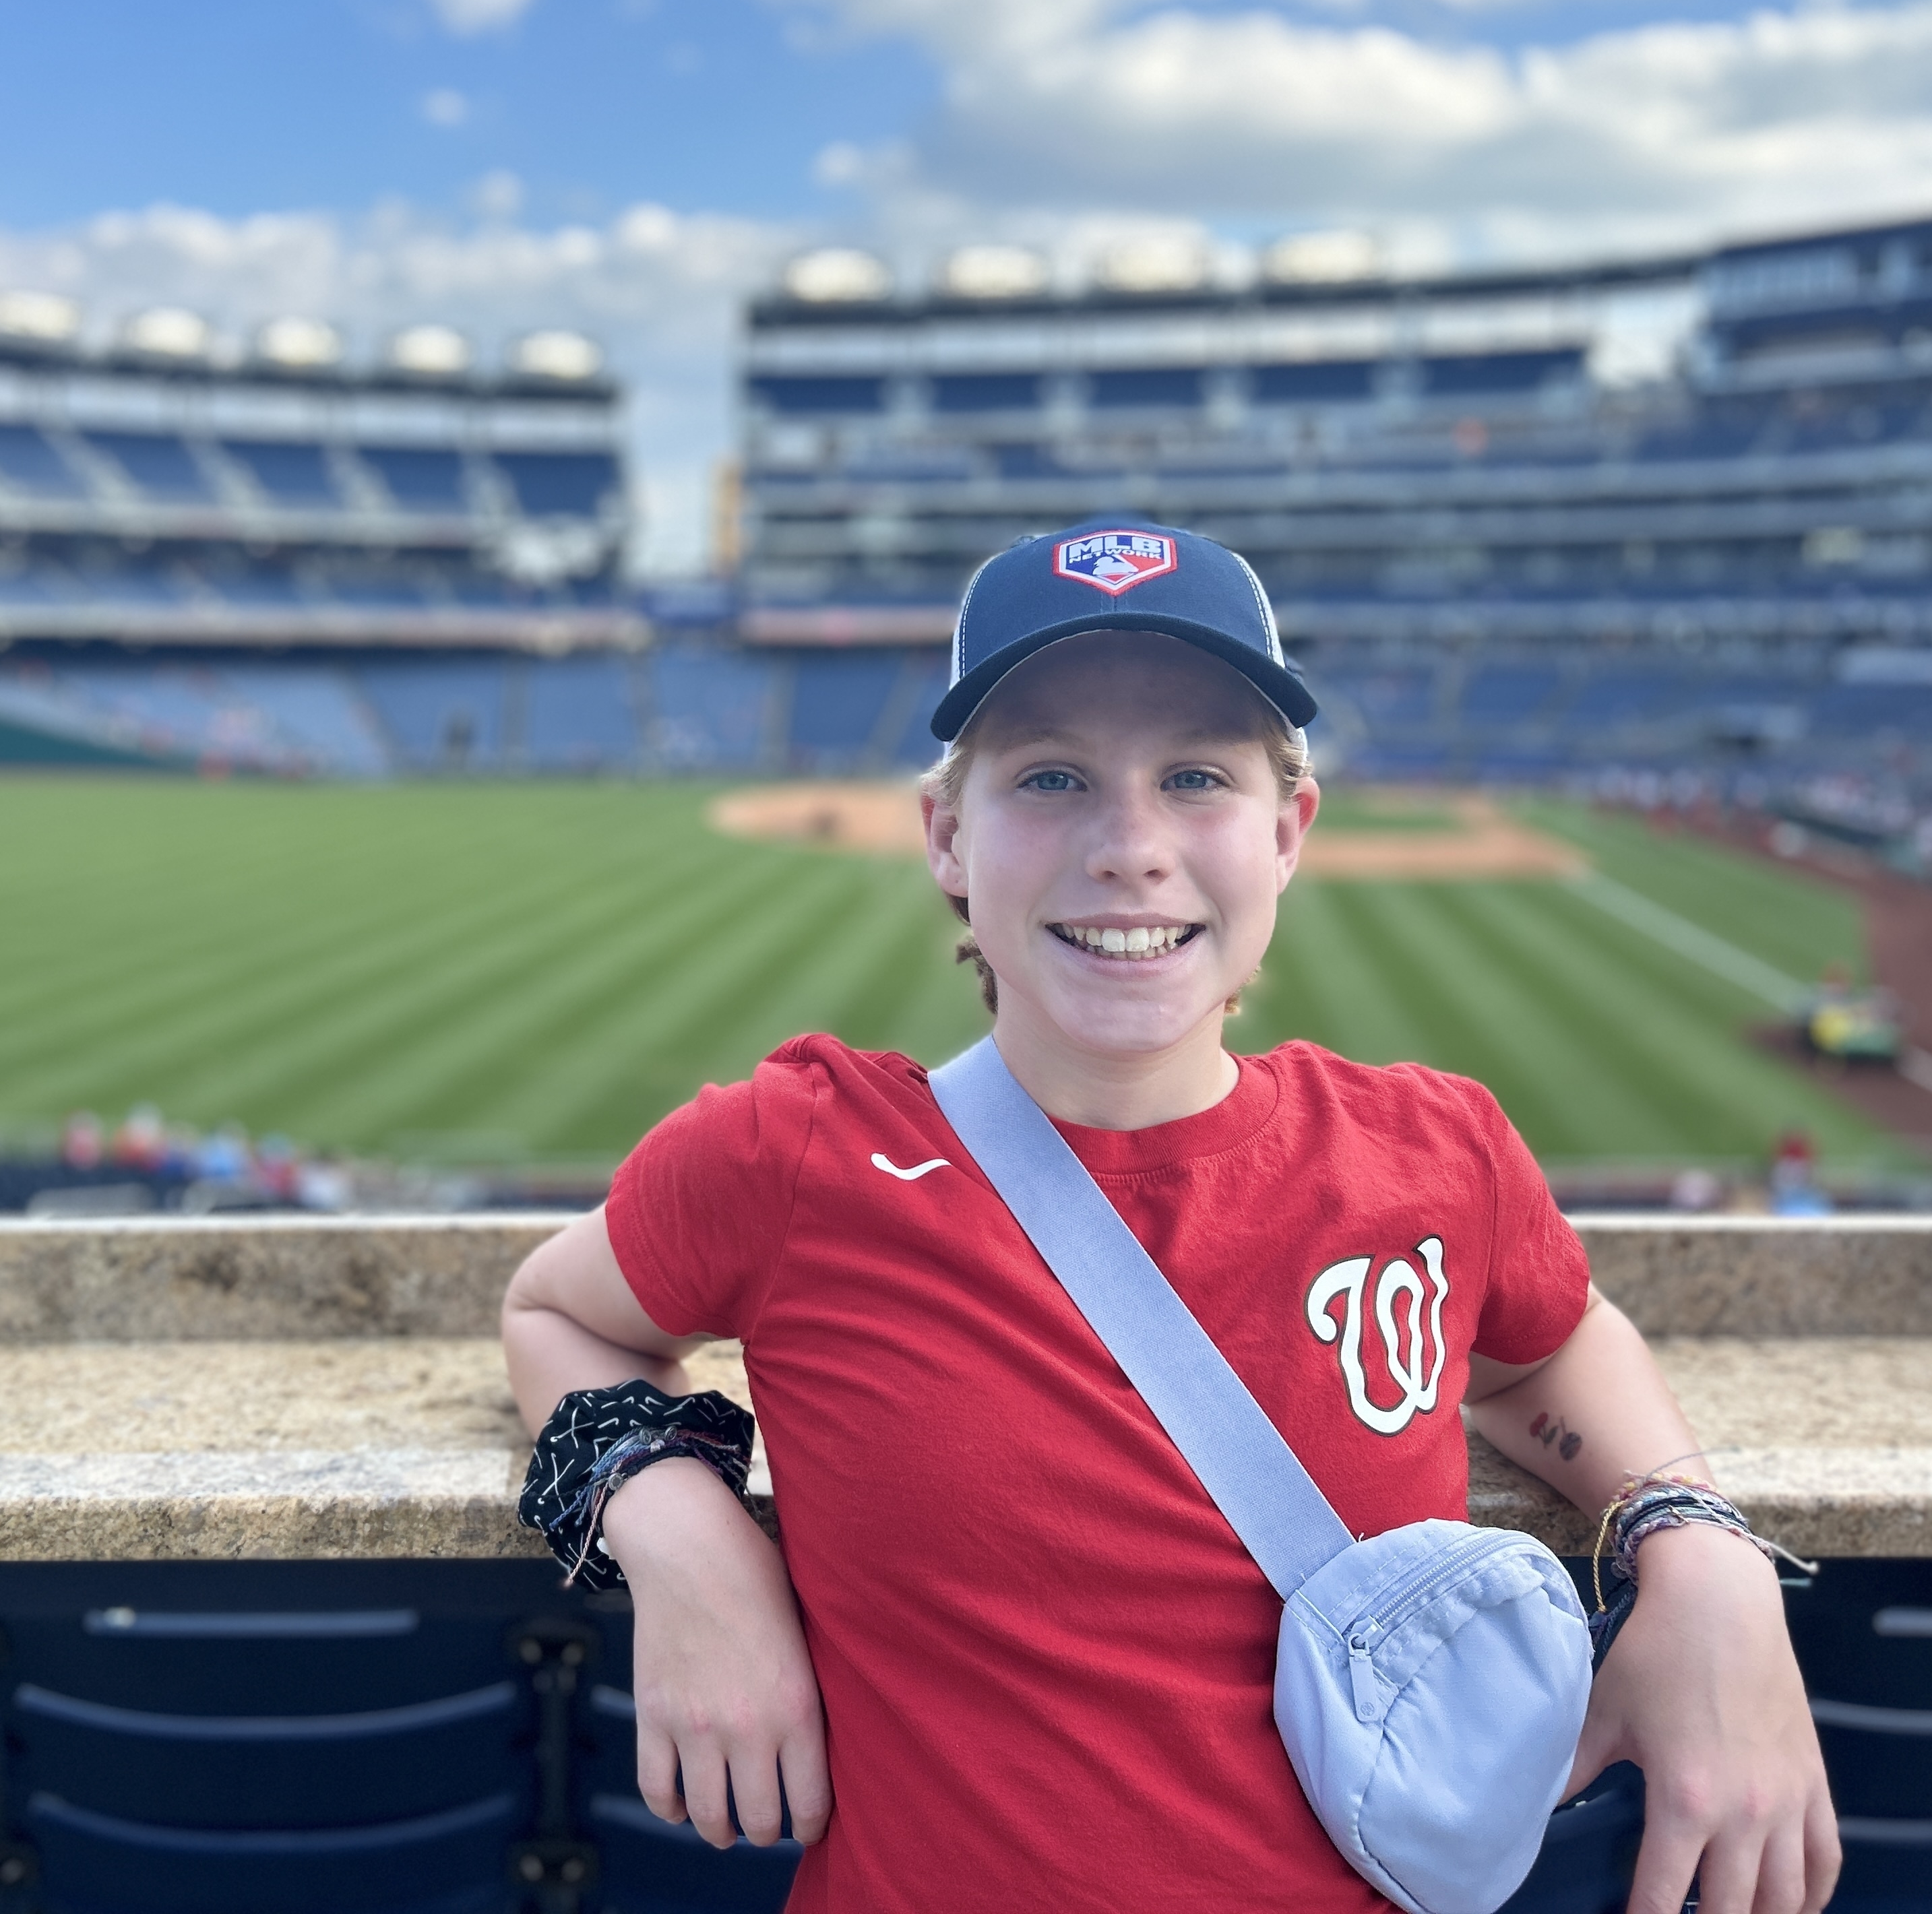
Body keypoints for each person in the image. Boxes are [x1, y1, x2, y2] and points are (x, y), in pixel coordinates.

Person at [503, 520, 1834, 1914]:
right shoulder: (797, 1150)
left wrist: (1702, 1552)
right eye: (1051, 777)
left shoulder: (1435, 1153)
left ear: (1288, 831)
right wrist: (680, 1528)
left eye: (1196, 776)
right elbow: (554, 1311)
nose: (1130, 848)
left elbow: (1549, 1351)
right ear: (949, 838)